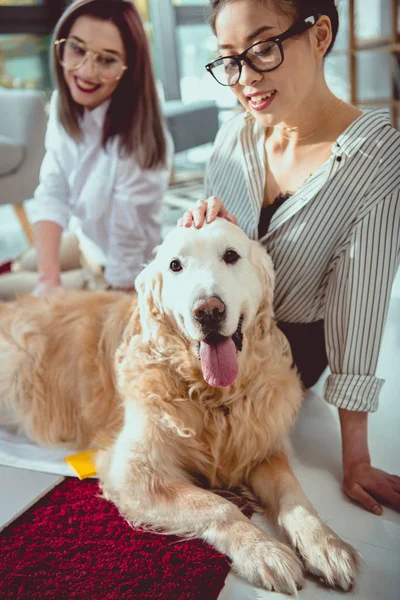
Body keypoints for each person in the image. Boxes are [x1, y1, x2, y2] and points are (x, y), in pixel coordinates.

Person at [179, 0, 400, 515]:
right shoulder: (234, 136)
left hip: (291, 348)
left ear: (320, 35)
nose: (245, 79)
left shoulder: (377, 158)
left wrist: (356, 457)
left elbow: (358, 307)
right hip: (215, 324)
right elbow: (208, 266)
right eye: (230, 59)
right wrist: (207, 229)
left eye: (263, 48)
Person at [0, 0, 173, 300]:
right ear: (61, 46)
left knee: (4, 292)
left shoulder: (141, 143)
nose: (86, 71)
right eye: (77, 49)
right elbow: (52, 193)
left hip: (120, 275)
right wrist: (48, 279)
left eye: (107, 60)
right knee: (24, 265)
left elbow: (125, 257)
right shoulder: (63, 106)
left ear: (129, 68)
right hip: (87, 245)